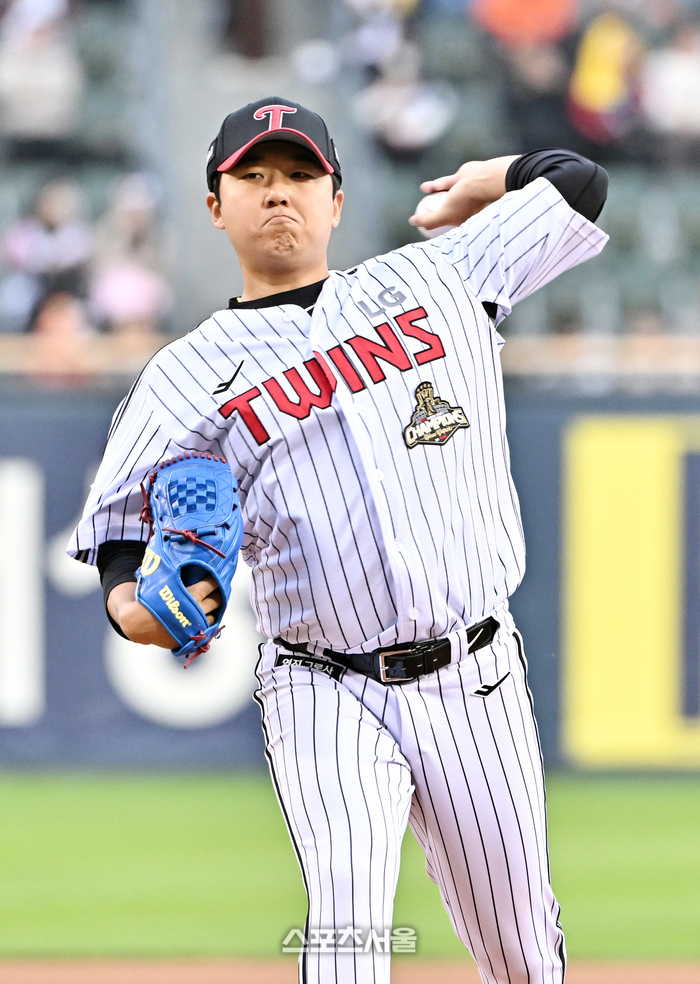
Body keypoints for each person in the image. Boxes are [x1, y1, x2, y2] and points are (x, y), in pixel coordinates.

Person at [68, 97, 608, 984]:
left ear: (336, 200)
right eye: (253, 176)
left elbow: (577, 183)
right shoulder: (184, 374)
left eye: (299, 175)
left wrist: (475, 184)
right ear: (216, 206)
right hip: (322, 684)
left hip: (474, 672)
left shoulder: (440, 275)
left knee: (517, 945)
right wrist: (135, 610)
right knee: (346, 926)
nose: (278, 193)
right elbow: (123, 534)